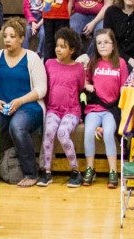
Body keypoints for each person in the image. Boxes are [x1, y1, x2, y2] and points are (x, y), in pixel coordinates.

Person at [37, 27, 86, 187]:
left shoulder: (78, 68)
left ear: (72, 50)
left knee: (63, 133)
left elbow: (79, 88)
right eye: (57, 45)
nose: (58, 49)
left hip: (72, 111)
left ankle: (75, 171)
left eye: (63, 46)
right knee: (49, 131)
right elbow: (46, 87)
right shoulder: (49, 64)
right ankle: (47, 172)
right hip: (53, 109)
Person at [83, 28, 125, 188]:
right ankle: (90, 169)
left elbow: (124, 87)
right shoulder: (93, 63)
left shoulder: (120, 63)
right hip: (94, 108)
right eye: (99, 43)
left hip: (111, 110)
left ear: (113, 45)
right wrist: (88, 87)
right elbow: (86, 82)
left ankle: (113, 171)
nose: (102, 46)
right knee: (88, 132)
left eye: (106, 42)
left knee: (108, 133)